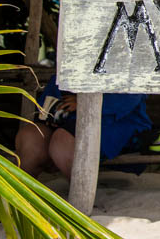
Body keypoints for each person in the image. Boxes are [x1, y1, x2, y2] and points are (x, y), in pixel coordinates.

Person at [16, 76, 152, 179]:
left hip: (116, 123)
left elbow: (128, 100)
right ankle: (22, 196)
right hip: (66, 122)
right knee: (32, 135)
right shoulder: (69, 62)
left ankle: (79, 198)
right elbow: (46, 106)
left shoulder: (124, 59)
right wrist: (52, 113)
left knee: (62, 141)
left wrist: (83, 103)